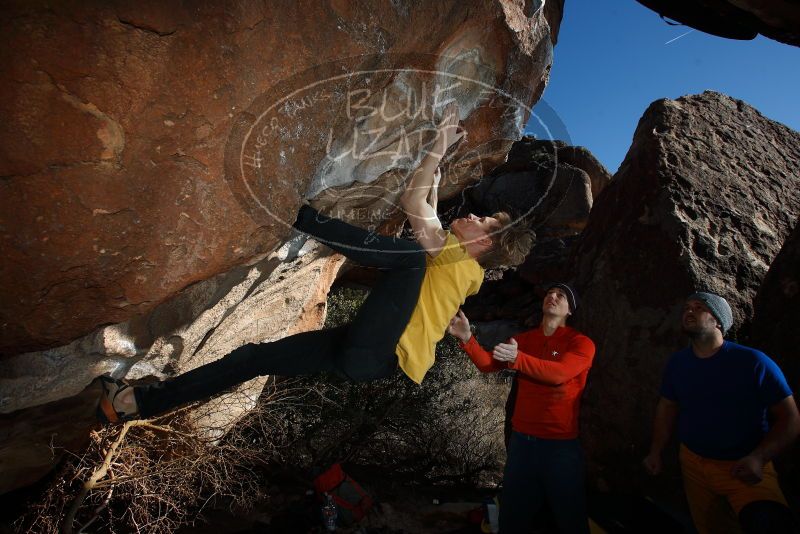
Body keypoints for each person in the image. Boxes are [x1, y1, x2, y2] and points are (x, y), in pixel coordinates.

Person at [97, 103, 534, 422]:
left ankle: (302, 216)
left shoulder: (458, 262)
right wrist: (436, 165)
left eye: (484, 221)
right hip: (362, 355)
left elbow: (417, 210)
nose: (474, 216)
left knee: (408, 261)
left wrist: (439, 145)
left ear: (483, 245)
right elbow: (419, 201)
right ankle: (136, 405)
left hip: (381, 354)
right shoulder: (459, 264)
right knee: (253, 357)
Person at [643, 292, 800, 534]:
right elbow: (667, 407)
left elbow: (790, 418)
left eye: (699, 307)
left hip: (742, 466)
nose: (689, 311)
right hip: (694, 464)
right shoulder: (678, 364)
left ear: (718, 320)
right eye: (687, 307)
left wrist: (759, 457)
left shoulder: (753, 362)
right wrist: (656, 451)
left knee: (767, 521)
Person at [449, 283, 595, 534]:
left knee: (570, 518)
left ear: (570, 310)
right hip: (522, 445)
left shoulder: (581, 343)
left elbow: (558, 374)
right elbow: (488, 365)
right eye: (550, 292)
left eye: (561, 296)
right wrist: (467, 339)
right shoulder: (524, 340)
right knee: (513, 517)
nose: (553, 296)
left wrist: (518, 359)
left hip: (560, 448)